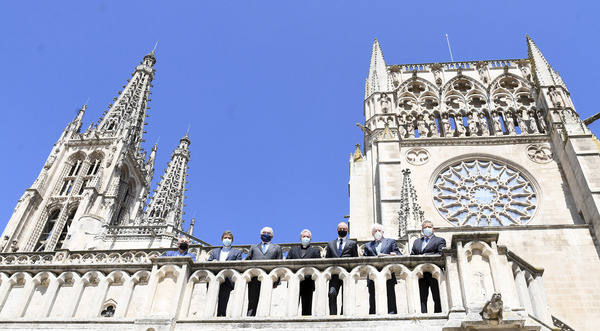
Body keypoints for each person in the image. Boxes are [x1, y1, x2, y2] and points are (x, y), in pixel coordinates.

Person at [363, 224, 401, 314]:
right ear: (372, 233)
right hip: (373, 275)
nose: (377, 232)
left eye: (379, 230)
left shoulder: (391, 242)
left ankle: (392, 315)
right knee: (373, 297)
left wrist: (394, 255)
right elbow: (364, 260)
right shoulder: (368, 245)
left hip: (388, 274)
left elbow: (399, 254)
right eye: (375, 231)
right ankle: (373, 315)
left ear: (383, 232)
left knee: (390, 296)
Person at [245, 226, 282, 316]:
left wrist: (277, 281)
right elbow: (246, 262)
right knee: (252, 301)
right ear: (260, 234)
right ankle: (250, 318)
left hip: (269, 279)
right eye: (264, 232)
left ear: (272, 236)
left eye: (268, 233)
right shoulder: (253, 247)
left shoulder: (277, 248)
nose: (266, 234)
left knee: (266, 301)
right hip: (254, 278)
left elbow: (280, 265)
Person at [410, 220, 446, 313]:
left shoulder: (440, 240)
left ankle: (439, 314)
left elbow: (440, 254)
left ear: (433, 229)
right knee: (422, 298)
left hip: (434, 273)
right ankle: (423, 315)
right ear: (422, 230)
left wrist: (426, 255)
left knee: (437, 296)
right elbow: (412, 256)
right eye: (425, 227)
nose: (427, 229)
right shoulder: (417, 242)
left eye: (429, 227)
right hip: (420, 274)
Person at [325, 222, 358, 315]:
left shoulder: (352, 243)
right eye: (340, 229)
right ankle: (333, 315)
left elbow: (356, 259)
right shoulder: (331, 244)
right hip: (334, 275)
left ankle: (344, 314)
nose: (342, 230)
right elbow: (327, 260)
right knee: (332, 293)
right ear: (337, 230)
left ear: (347, 231)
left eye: (344, 229)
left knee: (346, 296)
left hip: (347, 274)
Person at [208, 231, 243, 316]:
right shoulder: (215, 252)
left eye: (229, 238)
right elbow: (208, 263)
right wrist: (213, 262)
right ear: (222, 239)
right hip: (214, 279)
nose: (227, 239)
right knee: (211, 300)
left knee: (223, 301)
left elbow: (239, 266)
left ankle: (221, 317)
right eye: (225, 238)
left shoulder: (236, 252)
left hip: (227, 280)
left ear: (232, 240)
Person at [286, 229, 321, 315]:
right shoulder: (292, 250)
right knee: (291, 308)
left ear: (310, 239)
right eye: (304, 236)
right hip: (294, 282)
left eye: (307, 237)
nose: (305, 238)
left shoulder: (315, 251)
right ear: (300, 238)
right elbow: (287, 264)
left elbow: (319, 266)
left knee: (307, 308)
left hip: (308, 283)